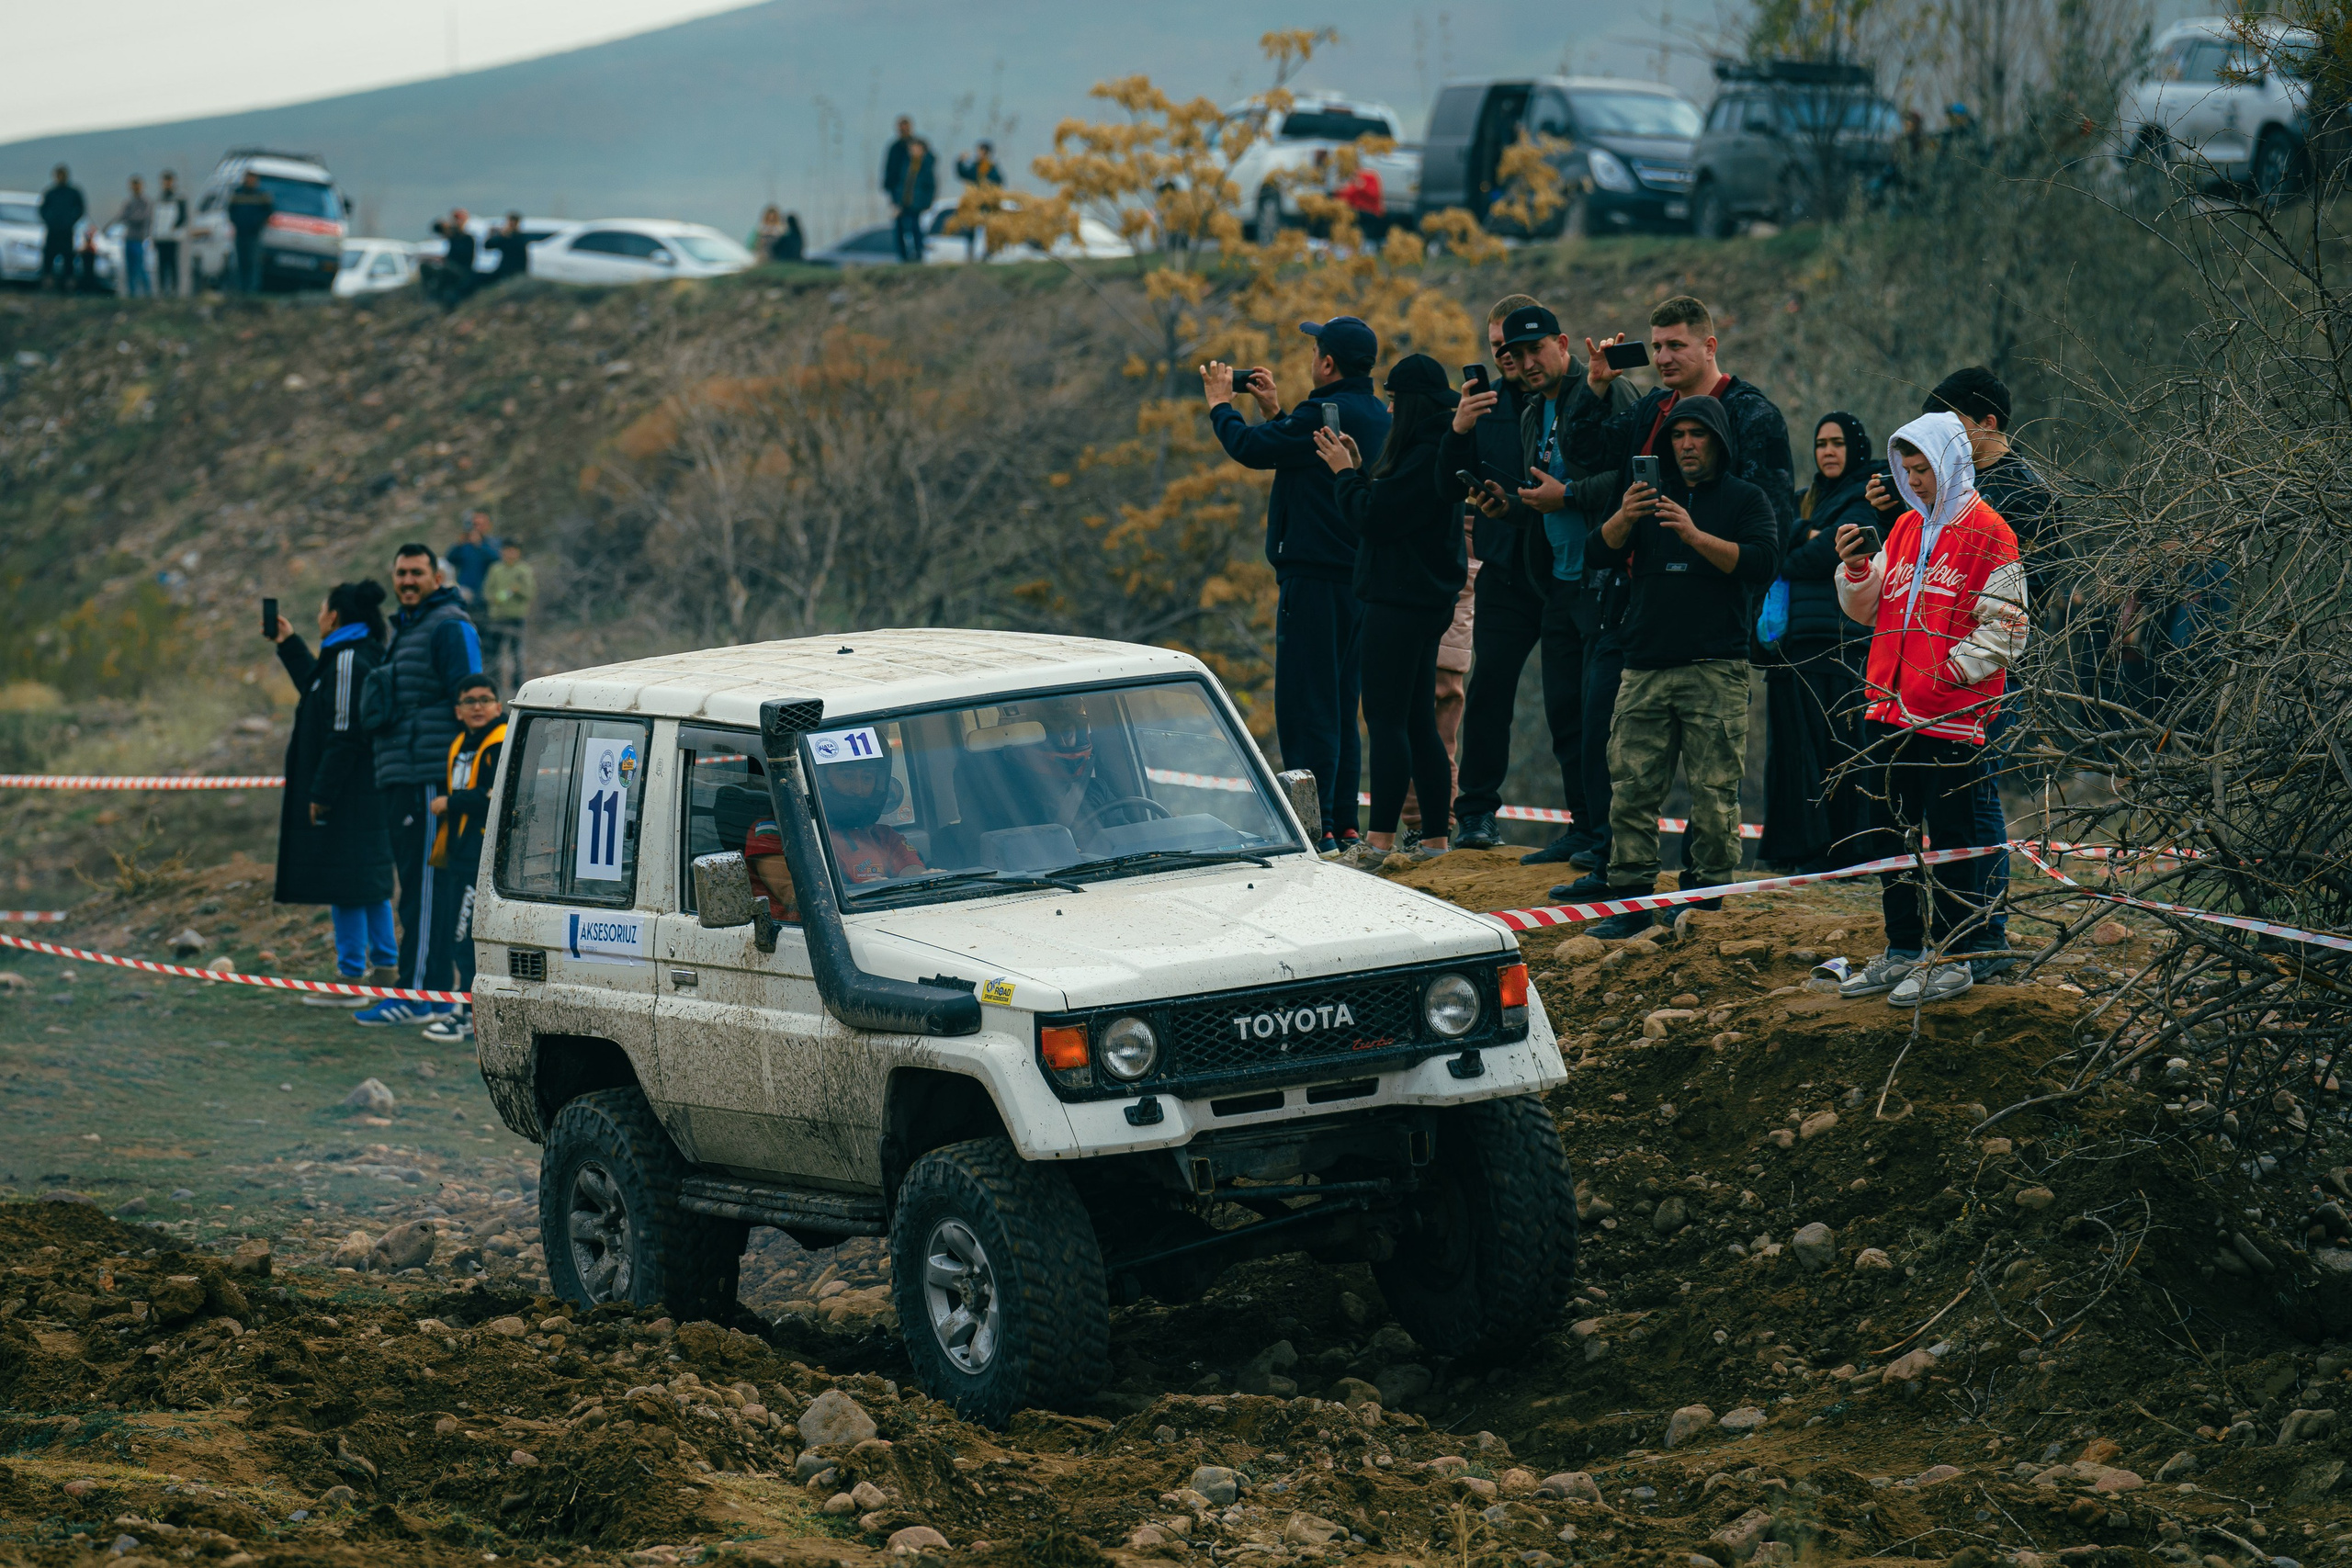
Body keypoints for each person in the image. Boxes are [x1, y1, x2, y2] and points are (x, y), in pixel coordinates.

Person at [1567, 294, 1797, 879]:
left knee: (1713, 784)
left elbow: (1769, 537)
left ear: (1709, 345)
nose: (1664, 357)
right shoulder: (1651, 407)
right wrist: (1595, 386)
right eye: (1657, 346)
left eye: (1676, 345)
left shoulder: (1752, 415)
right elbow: (1585, 452)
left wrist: (1715, 571)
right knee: (1614, 752)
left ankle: (1704, 888)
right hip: (1636, 608)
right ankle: (1615, 870)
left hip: (1715, 624)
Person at [1834, 413, 2029, 1007]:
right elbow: (1870, 606)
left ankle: (1955, 956)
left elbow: (2010, 627)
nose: (1915, 480)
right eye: (1907, 469)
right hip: (1888, 710)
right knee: (1890, 835)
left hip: (1950, 717)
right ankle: (1903, 949)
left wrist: (1948, 675)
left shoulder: (1992, 531)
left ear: (1951, 462)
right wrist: (1857, 570)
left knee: (1951, 840)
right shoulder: (1905, 527)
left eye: (1923, 468)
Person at [1870, 367, 2059, 969]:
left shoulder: (2022, 494)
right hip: (1923, 677)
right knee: (1933, 806)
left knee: (1972, 804)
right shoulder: (1924, 508)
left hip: (1984, 673)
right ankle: (1947, 938)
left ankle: (1984, 935)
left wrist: (1956, 665)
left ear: (1986, 423)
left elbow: (2027, 594)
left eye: (1951, 425)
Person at [1439, 299, 1637, 861]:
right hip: (1539, 575)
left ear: (1562, 344)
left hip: (1597, 578)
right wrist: (1509, 505)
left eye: (1533, 349)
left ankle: (1604, 836)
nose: (1522, 361)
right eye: (1509, 351)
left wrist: (1566, 496)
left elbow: (1632, 475)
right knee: (1553, 710)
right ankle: (1573, 827)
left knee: (1594, 714)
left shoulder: (1602, 388)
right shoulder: (1520, 408)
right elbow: (1535, 495)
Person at [1577, 396, 1781, 938]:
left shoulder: (1746, 497)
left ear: (1719, 440)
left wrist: (1692, 536)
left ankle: (1704, 900)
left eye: (1698, 434)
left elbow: (1763, 561)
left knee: (1714, 794)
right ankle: (1630, 904)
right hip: (1644, 664)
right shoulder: (1645, 497)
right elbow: (1595, 553)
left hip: (1715, 667)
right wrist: (1625, 515)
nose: (1686, 444)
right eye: (1677, 435)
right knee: (1631, 790)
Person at [1201, 316, 1392, 852]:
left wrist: (1220, 403)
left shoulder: (1321, 414)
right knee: (1341, 704)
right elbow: (1300, 453)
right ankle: (1342, 822)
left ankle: (1316, 828)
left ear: (1327, 363)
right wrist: (1276, 414)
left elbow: (1251, 449)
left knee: (1307, 707)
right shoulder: (1375, 413)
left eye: (1314, 352)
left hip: (1312, 579)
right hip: (1356, 580)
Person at [1314, 353, 1466, 865]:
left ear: (1413, 403)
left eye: (1395, 400)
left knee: (1385, 720)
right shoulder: (1436, 450)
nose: (1389, 409)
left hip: (1397, 603)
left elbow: (1372, 519)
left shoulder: (1422, 455)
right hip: (1426, 604)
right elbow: (1394, 511)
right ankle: (1435, 841)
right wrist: (1360, 470)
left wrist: (1343, 474)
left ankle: (1378, 842)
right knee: (1419, 721)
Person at [356, 544, 481, 1028]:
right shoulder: (409, 628)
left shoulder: (449, 625)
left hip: (432, 778)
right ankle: (429, 993)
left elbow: (471, 696)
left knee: (428, 889)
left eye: (416, 573)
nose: (407, 581)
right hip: (404, 774)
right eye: (401, 573)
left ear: (436, 578)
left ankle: (420, 995)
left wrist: (463, 775)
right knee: (416, 888)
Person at [1758, 412, 1879, 874]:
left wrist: (1802, 542)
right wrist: (1801, 535)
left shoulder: (1865, 497)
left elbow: (1827, 552)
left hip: (1840, 644)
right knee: (1793, 752)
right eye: (1821, 443)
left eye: (1837, 443)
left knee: (1839, 749)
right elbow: (1773, 539)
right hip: (1790, 642)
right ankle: (1798, 851)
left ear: (1856, 447)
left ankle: (1846, 851)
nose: (1828, 451)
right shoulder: (1804, 499)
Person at [268, 581, 399, 1005]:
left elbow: (344, 733)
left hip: (347, 794)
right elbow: (319, 692)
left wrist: (321, 792)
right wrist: (289, 644)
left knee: (345, 882)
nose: (318, 615)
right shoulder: (357, 655)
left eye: (322, 609)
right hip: (365, 790)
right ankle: (385, 967)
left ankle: (350, 977)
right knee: (368, 880)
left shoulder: (347, 659)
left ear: (335, 616)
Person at [418, 674, 507, 1043]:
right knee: (460, 936)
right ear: (458, 710)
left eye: (485, 699)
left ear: (498, 706)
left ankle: (470, 1016)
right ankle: (469, 1011)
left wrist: (450, 803)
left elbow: (495, 794)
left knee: (465, 938)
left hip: (483, 857)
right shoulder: (460, 743)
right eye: (469, 701)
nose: (477, 706)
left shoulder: (500, 741)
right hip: (458, 855)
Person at [743, 750, 925, 920]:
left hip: (879, 921)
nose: (858, 788)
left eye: (867, 778)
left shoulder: (883, 835)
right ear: (821, 778)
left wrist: (924, 879)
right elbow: (795, 897)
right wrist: (859, 892)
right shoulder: (775, 831)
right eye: (847, 776)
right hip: (806, 935)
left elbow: (912, 872)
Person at [480, 540, 536, 694]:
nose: (509, 553)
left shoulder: (523, 570)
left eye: (513, 550)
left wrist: (518, 590)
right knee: (493, 654)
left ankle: (518, 687)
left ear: (518, 552)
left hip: (516, 618)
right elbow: (487, 591)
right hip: (497, 618)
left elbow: (530, 593)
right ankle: (494, 684)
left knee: (516, 654)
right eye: (507, 550)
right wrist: (494, 598)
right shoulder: (495, 569)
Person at [883, 117, 938, 263]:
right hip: (901, 197)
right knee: (899, 227)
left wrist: (926, 201)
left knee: (915, 226)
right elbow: (893, 175)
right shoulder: (896, 149)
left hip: (915, 200)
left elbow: (929, 182)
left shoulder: (921, 153)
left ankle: (918, 254)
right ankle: (904, 256)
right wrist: (894, 196)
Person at [954, 141, 1005, 259]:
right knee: (971, 227)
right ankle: (970, 252)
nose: (978, 153)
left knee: (989, 228)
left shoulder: (992, 167)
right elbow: (963, 174)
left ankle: (988, 252)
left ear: (986, 152)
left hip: (987, 204)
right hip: (975, 203)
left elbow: (998, 182)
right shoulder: (975, 166)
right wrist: (960, 162)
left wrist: (989, 191)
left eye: (980, 151)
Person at [227, 170, 274, 293]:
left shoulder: (262, 195)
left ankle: (252, 290)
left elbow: (268, 211)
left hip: (254, 234)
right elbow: (231, 210)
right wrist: (237, 222)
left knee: (253, 261)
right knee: (241, 261)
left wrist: (258, 223)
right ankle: (241, 289)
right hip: (241, 232)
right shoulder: (238, 194)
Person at [40, 166, 83, 294]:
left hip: (66, 231)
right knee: (49, 257)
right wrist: (50, 221)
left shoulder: (73, 193)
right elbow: (42, 209)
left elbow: (80, 209)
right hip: (53, 230)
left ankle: (68, 286)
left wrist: (70, 221)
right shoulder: (51, 193)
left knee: (68, 258)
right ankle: (48, 285)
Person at [446, 511, 502, 606]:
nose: (477, 528)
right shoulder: (466, 544)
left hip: (486, 590)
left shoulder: (494, 543)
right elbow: (450, 559)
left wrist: (479, 545)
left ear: (488, 526)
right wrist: (458, 544)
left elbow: (497, 559)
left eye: (481, 525)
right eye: (475, 524)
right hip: (466, 590)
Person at [424, 209, 476, 305]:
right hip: (451, 267)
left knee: (445, 269)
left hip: (462, 270)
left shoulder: (468, 238)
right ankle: (431, 294)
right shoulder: (452, 236)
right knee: (425, 266)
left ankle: (437, 295)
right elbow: (437, 228)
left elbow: (466, 258)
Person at [115, 177, 153, 299]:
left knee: (141, 267)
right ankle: (132, 294)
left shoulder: (146, 202)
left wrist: (129, 216)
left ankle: (147, 293)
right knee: (130, 268)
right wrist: (130, 216)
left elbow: (141, 218)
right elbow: (121, 216)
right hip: (129, 238)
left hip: (139, 238)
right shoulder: (129, 202)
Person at [153, 170, 187, 297]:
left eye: (169, 181)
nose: (167, 183)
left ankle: (174, 289)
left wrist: (174, 227)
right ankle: (162, 289)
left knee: (172, 264)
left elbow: (183, 217)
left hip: (172, 237)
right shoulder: (159, 199)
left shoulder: (179, 199)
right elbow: (156, 219)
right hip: (161, 237)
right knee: (161, 265)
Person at [484, 212, 530, 284]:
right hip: (505, 269)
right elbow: (488, 246)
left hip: (517, 270)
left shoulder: (519, 237)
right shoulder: (504, 236)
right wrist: (500, 235)